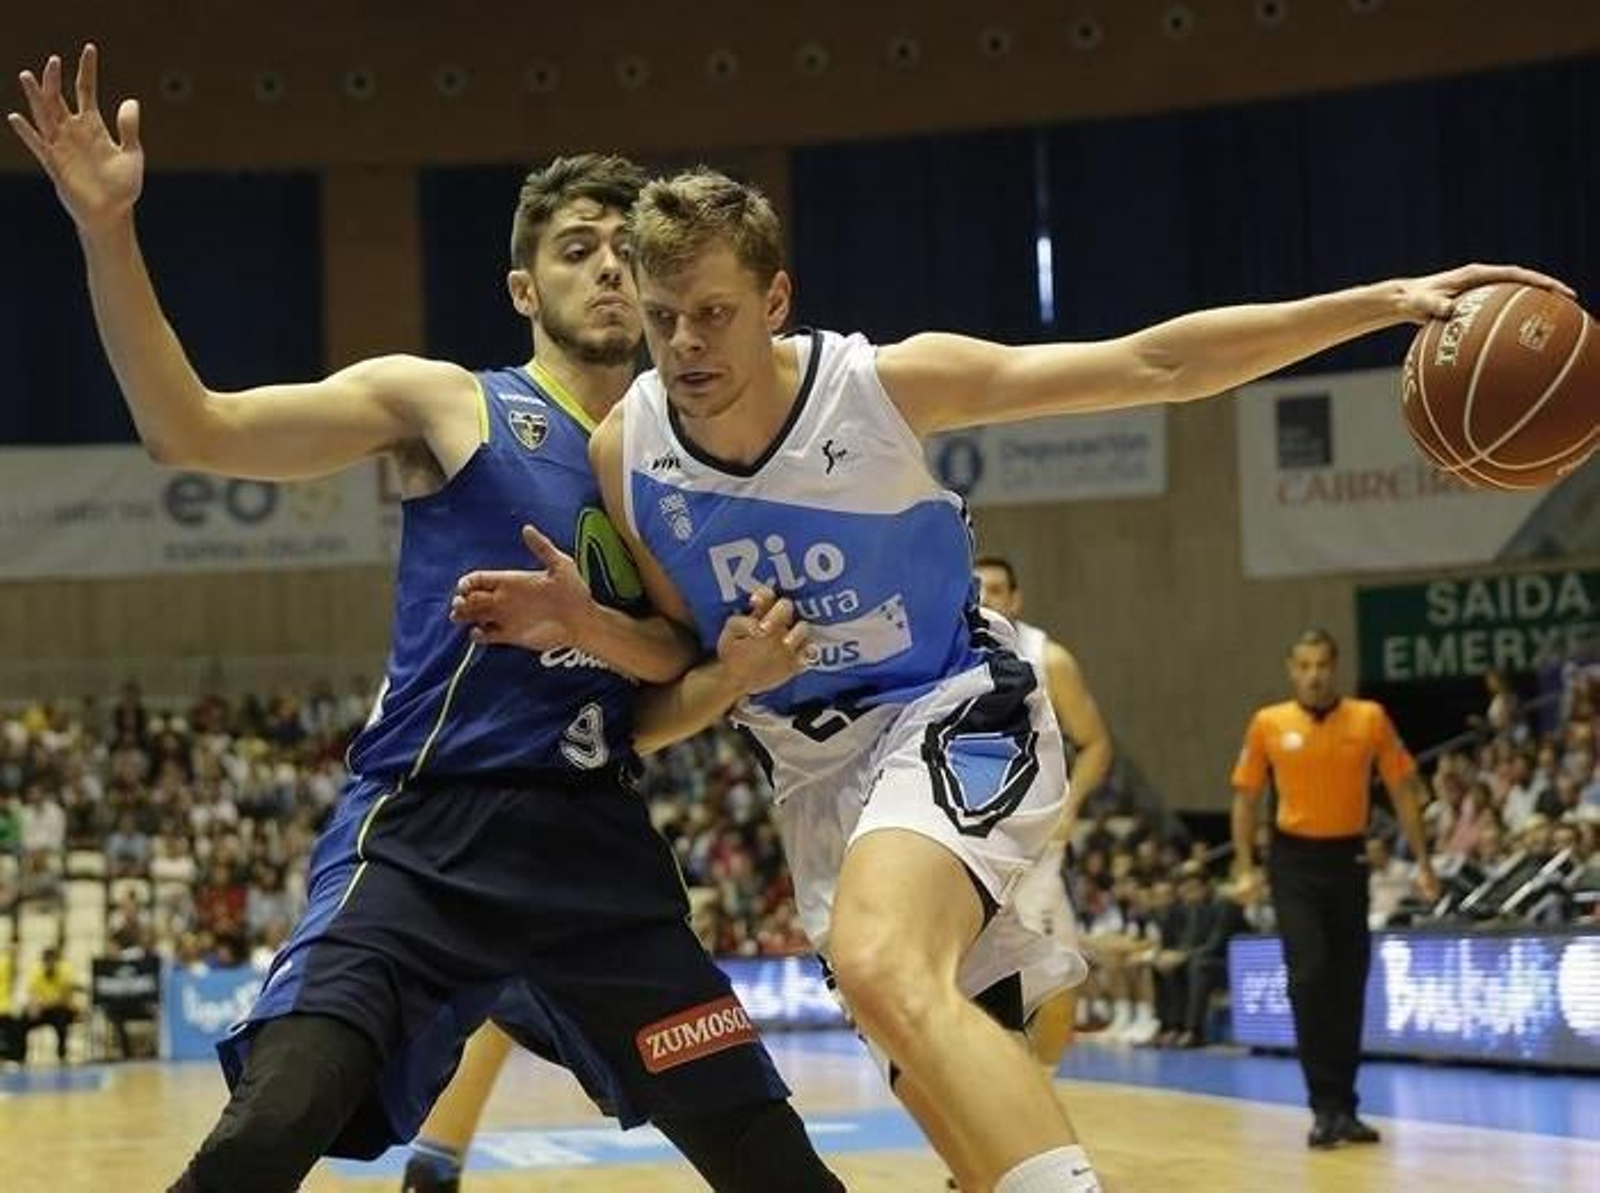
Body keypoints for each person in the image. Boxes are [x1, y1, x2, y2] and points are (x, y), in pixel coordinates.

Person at [449, 167, 1565, 1190]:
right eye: (661, 318)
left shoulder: (879, 387)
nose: (684, 344)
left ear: (775, 300)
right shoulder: (626, 452)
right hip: (815, 777)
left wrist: (1379, 301)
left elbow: (1155, 363)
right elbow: (684, 675)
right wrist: (596, 626)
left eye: (712, 313)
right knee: (949, 1107)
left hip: (951, 708)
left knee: (880, 960)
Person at [10, 47, 840, 1193]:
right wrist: (106, 227)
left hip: (594, 853)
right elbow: (189, 430)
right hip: (423, 837)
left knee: (771, 1158)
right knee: (265, 1130)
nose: (606, 269)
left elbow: (656, 704)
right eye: (576, 248)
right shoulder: (447, 401)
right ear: (521, 288)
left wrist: (730, 671)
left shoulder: (682, 466)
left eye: (623, 251)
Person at [1230, 628, 1441, 1149]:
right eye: (1304, 665)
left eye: (1322, 664)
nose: (1314, 674)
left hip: (1348, 860)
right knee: (1309, 976)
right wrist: (1244, 866)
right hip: (1293, 862)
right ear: (1290, 669)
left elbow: (1403, 789)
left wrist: (1423, 862)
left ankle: (1345, 1107)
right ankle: (1323, 1106)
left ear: (1335, 667)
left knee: (1348, 984)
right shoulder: (1269, 723)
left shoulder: (1369, 718)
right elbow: (1245, 799)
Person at [974, 555, 1112, 1068]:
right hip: (973, 840)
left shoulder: (1047, 658)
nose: (984, 597)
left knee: (1056, 990)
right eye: (975, 589)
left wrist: (1072, 803)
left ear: (1015, 598)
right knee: (984, 990)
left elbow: (1096, 742)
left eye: (995, 589)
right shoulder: (946, 653)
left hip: (1034, 848)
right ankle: (1001, 1105)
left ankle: (1037, 1088)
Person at [21, 946, 80, 1064]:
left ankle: (62, 1056)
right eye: (46, 961)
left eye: (51, 960)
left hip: (63, 1011)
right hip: (44, 1011)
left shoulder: (65, 972)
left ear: (56, 961)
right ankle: (20, 1056)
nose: (49, 964)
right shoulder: (36, 974)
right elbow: (33, 998)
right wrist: (34, 1006)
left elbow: (64, 999)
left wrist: (44, 1003)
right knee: (23, 1019)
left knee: (60, 1017)